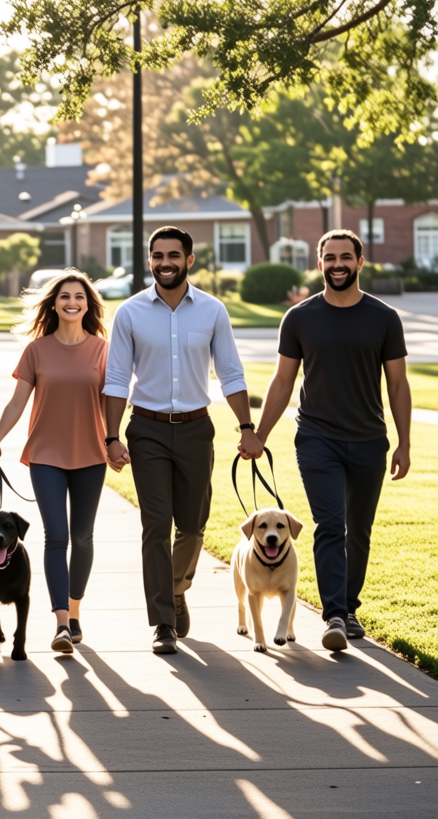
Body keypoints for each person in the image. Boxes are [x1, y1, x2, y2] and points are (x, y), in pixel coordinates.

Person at [103, 225, 263, 655]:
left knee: (192, 526)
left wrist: (247, 428)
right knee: (156, 525)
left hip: (196, 428)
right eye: (158, 255)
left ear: (189, 260)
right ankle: (162, 622)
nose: (165, 262)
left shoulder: (212, 311)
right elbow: (116, 378)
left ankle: (176, 588)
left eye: (174, 255)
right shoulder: (130, 313)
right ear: (149, 259)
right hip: (148, 429)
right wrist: (112, 436)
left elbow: (231, 373)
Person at [255, 229, 410, 651]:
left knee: (358, 528)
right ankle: (335, 615)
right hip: (317, 438)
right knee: (329, 524)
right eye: (330, 257)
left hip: (368, 440)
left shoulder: (383, 318)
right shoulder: (300, 317)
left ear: (360, 262)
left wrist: (404, 442)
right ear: (319, 263)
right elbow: (283, 380)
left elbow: (397, 385)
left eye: (346, 257)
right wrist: (259, 434)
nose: (337, 264)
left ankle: (350, 607)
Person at [0, 270, 117, 654]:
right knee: (56, 536)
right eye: (65, 296)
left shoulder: (102, 350)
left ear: (88, 303)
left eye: (79, 296)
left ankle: (76, 611)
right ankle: (62, 623)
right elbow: (17, 402)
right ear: (54, 303)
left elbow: (113, 400)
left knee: (82, 537)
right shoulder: (37, 350)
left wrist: (115, 440)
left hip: (91, 453)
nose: (72, 302)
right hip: (46, 454)